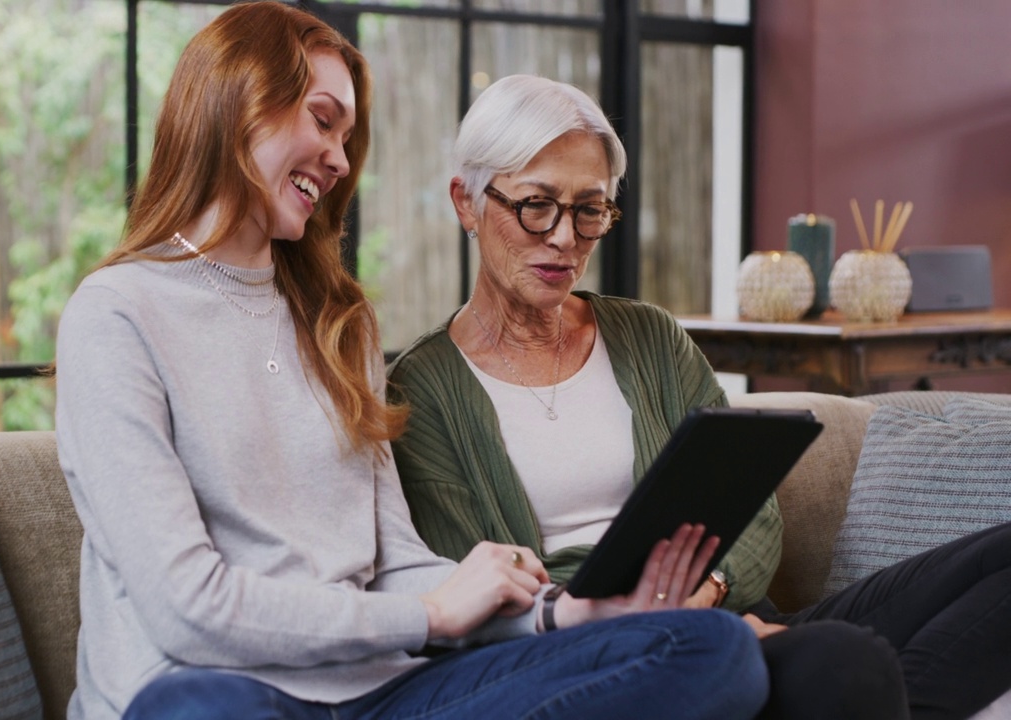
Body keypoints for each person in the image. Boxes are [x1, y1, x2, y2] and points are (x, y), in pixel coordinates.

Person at [53, 4, 772, 720]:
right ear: (237, 102)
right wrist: (431, 616)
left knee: (709, 647)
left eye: (347, 135)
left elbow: (396, 564)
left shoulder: (340, 324)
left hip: (385, 694)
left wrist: (564, 612)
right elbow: (189, 610)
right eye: (324, 119)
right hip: (211, 692)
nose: (339, 158)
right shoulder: (117, 315)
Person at [388, 73, 1011, 720]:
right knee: (844, 662)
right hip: (611, 657)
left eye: (589, 209)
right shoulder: (421, 393)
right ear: (466, 202)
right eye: (536, 204)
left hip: (726, 612)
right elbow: (483, 598)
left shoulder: (649, 337)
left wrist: (711, 593)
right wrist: (672, 624)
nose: (566, 238)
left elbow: (755, 509)